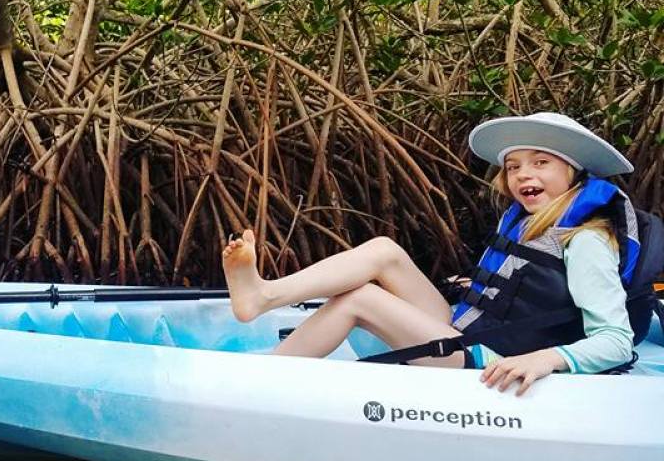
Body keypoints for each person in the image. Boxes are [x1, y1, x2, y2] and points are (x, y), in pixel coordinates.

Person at [221, 112, 644, 395]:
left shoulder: (585, 240)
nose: (522, 175)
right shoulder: (529, 223)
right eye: (514, 166)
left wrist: (545, 360)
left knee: (360, 298)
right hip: (473, 331)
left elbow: (616, 342)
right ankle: (264, 294)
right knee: (385, 252)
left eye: (540, 163)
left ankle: (262, 381)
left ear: (572, 174)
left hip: (493, 359)